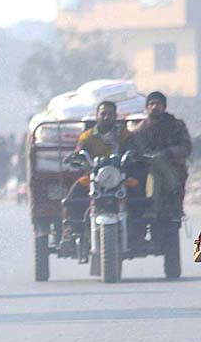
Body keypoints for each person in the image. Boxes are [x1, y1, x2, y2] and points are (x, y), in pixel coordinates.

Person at [59, 101, 131, 253]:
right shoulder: (87, 136)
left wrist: (135, 154)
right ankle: (69, 232)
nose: (106, 117)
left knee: (141, 197)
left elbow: (134, 147)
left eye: (109, 114)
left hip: (120, 178)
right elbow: (79, 153)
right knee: (71, 199)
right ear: (97, 116)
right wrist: (77, 158)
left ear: (115, 116)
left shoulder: (124, 134)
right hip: (93, 178)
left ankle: (140, 229)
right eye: (103, 114)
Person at [128, 91, 191, 219]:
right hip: (145, 170)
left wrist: (168, 153)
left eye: (158, 103)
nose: (154, 107)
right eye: (151, 104)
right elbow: (136, 151)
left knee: (157, 163)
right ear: (146, 108)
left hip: (173, 169)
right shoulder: (140, 130)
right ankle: (162, 199)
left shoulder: (176, 125)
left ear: (164, 106)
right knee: (153, 167)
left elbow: (186, 147)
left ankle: (154, 207)